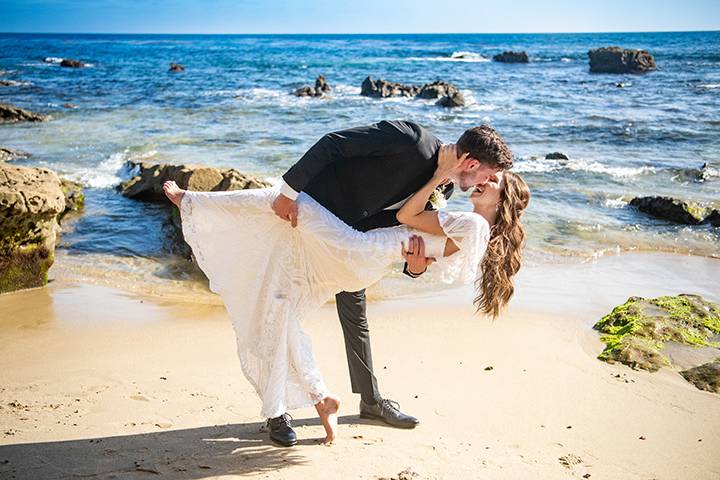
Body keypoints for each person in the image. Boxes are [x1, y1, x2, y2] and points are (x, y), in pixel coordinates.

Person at [163, 120, 524, 445]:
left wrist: (415, 267)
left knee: (353, 320)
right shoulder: (411, 140)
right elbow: (333, 143)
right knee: (277, 308)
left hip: (351, 247)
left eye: (490, 182)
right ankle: (282, 411)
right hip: (325, 230)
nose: (482, 184)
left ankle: (370, 402)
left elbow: (415, 238)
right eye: (486, 176)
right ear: (472, 163)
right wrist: (289, 192)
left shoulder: (443, 193)